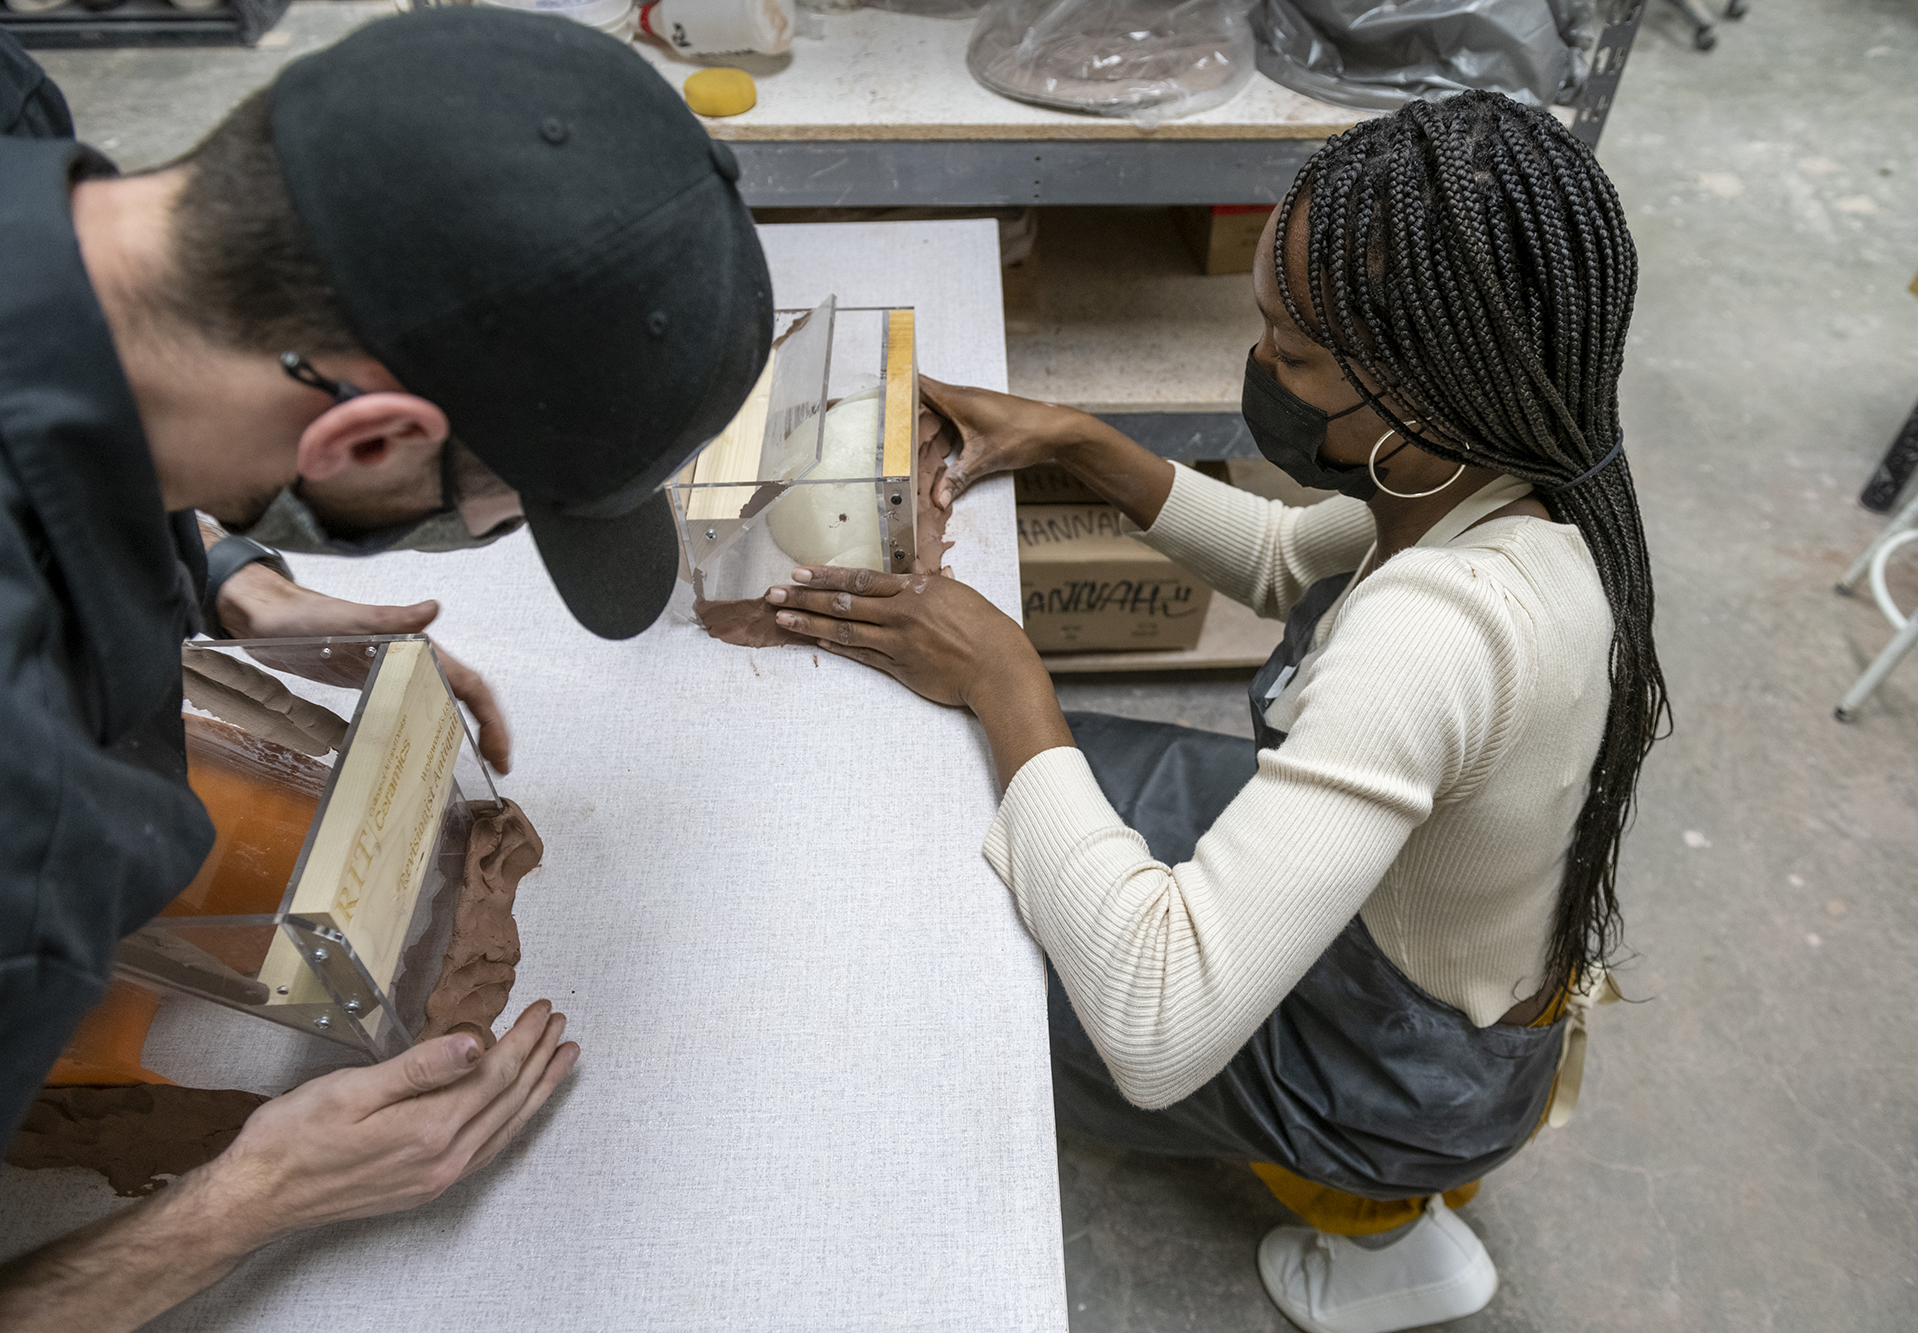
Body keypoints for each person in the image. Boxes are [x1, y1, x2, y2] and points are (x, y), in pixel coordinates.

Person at [764, 92, 1662, 1333]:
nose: (1259, 369)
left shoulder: (1438, 633)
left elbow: (1157, 1021)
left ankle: (1385, 1233)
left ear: (1429, 392)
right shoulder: (1522, 470)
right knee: (989, 796)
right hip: (1398, 938)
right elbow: (1293, 554)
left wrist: (1008, 677)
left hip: (1387, 1066)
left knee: (940, 977)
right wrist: (1081, 442)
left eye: (1290, 357)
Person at [0, 9, 770, 1328]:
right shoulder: (35, 827)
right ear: (365, 441)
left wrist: (212, 566)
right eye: (505, 501)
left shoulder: (24, 118)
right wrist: (254, 1196)